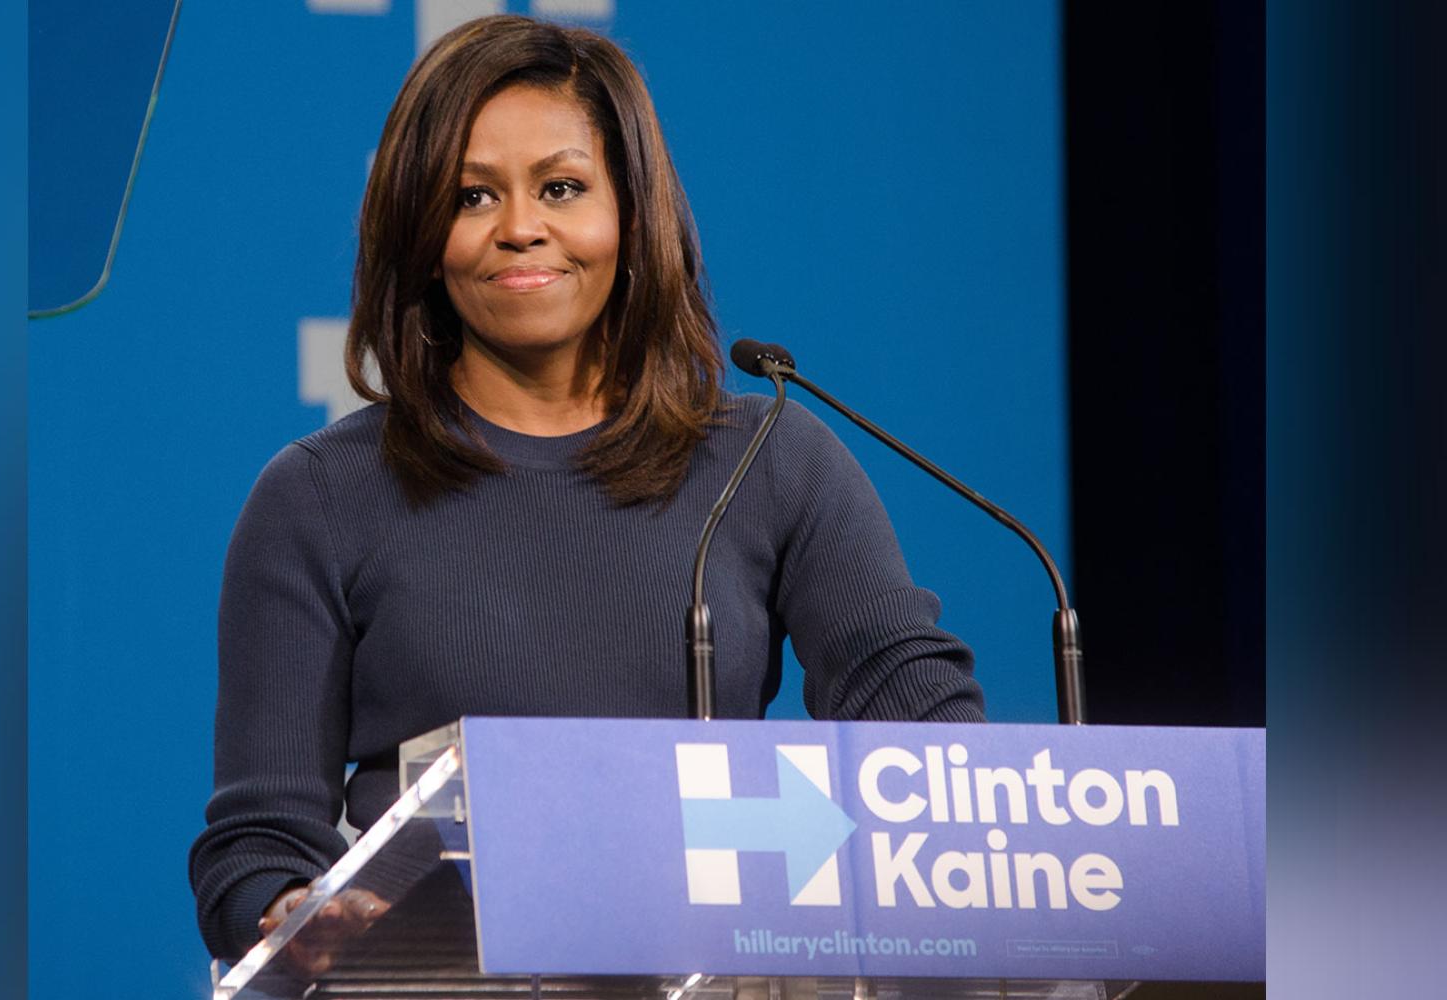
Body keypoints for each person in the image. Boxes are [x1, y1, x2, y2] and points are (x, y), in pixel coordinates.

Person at [188, 14, 984, 963]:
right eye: (472, 196)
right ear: (420, 232)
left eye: (562, 188)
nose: (521, 228)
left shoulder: (771, 461)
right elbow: (259, 846)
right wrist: (299, 918)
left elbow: (930, 753)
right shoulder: (318, 497)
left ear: (633, 214)